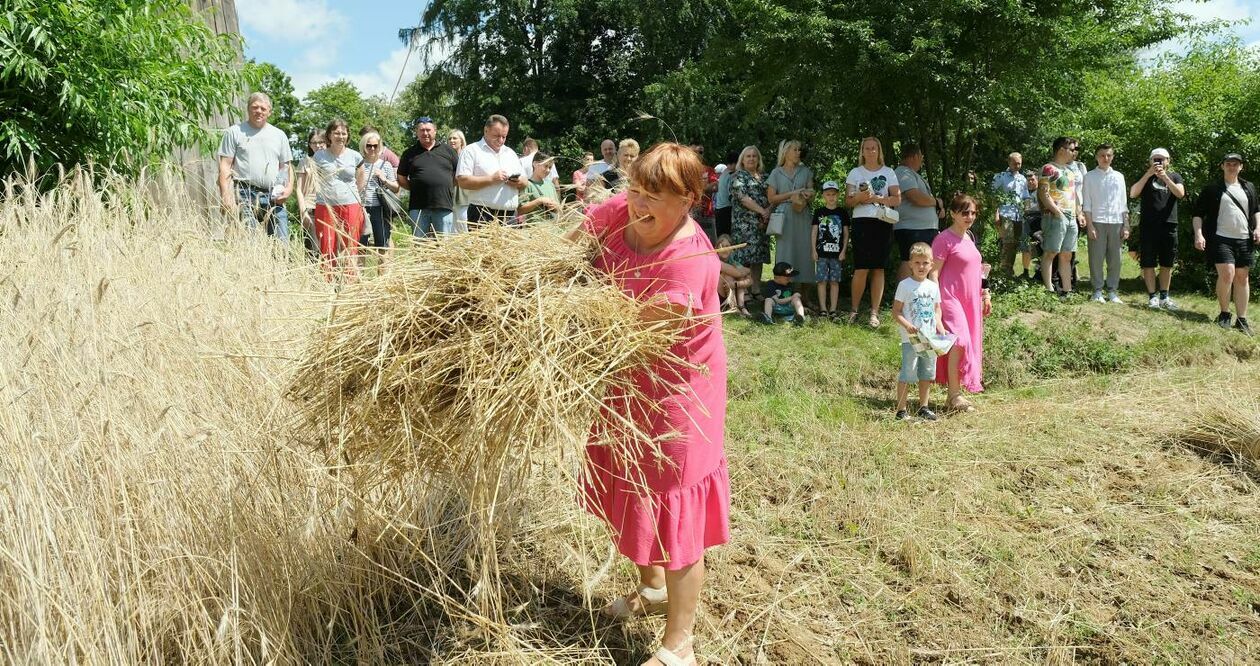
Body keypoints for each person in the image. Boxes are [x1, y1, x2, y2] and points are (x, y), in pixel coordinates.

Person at [569, 143, 728, 666]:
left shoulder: (688, 262)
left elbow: (625, 329)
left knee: (675, 506)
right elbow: (571, 246)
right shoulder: (621, 208)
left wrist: (566, 319)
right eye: (635, 187)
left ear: (687, 201)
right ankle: (651, 586)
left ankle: (679, 643)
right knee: (630, 480)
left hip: (679, 391)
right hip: (628, 382)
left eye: (654, 195)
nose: (638, 202)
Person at [932, 193, 989, 412]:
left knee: (966, 344)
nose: (970, 216)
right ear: (953, 213)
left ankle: (954, 395)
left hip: (970, 300)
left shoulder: (970, 237)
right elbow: (933, 274)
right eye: (965, 212)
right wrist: (936, 305)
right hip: (949, 297)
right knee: (959, 341)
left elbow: (979, 271)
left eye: (973, 212)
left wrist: (986, 294)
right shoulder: (943, 239)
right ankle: (954, 396)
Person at [1193, 153, 1260, 335]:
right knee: (1227, 274)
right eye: (1228, 163)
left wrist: (1258, 228)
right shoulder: (1213, 189)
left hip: (1244, 238)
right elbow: (1198, 214)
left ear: (1241, 167)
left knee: (1242, 277)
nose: (1232, 166)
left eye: (1235, 164)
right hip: (1220, 238)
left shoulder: (1249, 187)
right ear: (1222, 166)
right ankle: (1224, 314)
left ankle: (1242, 319)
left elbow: (1256, 211)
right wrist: (1199, 235)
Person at [216, 92, 293, 241]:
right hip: (244, 194)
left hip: (273, 196)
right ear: (248, 109)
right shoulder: (234, 132)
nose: (259, 111)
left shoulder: (279, 135)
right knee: (250, 244)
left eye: (263, 109)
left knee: (281, 244)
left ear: (269, 111)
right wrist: (226, 195)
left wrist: (288, 190)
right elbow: (225, 166)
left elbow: (286, 167)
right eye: (255, 107)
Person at [846, 137, 902, 328]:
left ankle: (874, 313)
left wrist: (877, 198)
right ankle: (854, 310)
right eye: (867, 148)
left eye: (874, 148)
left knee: (878, 268)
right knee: (861, 267)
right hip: (861, 222)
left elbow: (897, 199)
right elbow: (848, 201)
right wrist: (860, 197)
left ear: (879, 151)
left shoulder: (889, 172)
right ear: (862, 151)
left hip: (882, 222)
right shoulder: (855, 172)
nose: (870, 151)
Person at [300, 118, 365, 281]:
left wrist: (349, 194)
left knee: (349, 247)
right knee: (327, 247)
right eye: (336, 133)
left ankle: (349, 285)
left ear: (348, 135)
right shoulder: (319, 156)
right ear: (329, 135)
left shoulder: (355, 156)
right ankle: (328, 285)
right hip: (325, 206)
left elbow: (360, 180)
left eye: (343, 133)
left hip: (351, 205)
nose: (340, 136)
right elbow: (314, 180)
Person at [892, 242, 946, 421]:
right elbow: (896, 311)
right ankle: (901, 410)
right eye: (917, 263)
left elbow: (937, 308)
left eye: (925, 263)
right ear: (910, 264)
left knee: (927, 373)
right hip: (911, 339)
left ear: (931, 264)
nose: (921, 267)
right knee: (908, 372)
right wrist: (907, 325)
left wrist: (939, 325)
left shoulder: (933, 286)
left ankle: (924, 406)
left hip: (929, 338)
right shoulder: (905, 285)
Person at [1130, 147, 1186, 309]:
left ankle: (1164, 297)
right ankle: (1152, 297)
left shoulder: (1175, 176)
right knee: (1148, 262)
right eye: (1155, 159)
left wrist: (1165, 178)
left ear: (1168, 161)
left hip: (1169, 225)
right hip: (1148, 226)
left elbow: (1180, 194)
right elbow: (1133, 193)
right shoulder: (1145, 177)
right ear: (1150, 161)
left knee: (1167, 263)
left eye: (1162, 159)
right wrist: (1148, 174)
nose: (1159, 162)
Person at [456, 114, 528, 225]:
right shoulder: (471, 151)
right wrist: (490, 179)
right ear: (486, 130)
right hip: (482, 215)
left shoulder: (511, 153)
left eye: (504, 137)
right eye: (497, 136)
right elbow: (462, 181)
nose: (501, 140)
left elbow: (525, 182)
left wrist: (518, 182)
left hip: (510, 216)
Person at [1082, 144, 1129, 303]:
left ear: (1112, 157)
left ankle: (1112, 291)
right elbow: (1086, 204)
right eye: (1102, 155)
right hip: (1097, 221)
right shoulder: (1089, 177)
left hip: (1116, 221)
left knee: (1115, 259)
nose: (1105, 158)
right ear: (1096, 157)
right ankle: (1097, 291)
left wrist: (1126, 225)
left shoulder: (1119, 176)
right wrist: (1090, 226)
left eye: (1109, 155)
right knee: (1096, 258)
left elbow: (1123, 203)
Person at [398, 116, 459, 237]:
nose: (425, 133)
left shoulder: (448, 151)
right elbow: (401, 178)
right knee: (419, 246)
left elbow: (458, 176)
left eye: (428, 130)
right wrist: (415, 187)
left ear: (435, 131)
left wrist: (445, 185)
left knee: (444, 246)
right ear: (417, 132)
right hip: (418, 208)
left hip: (443, 205)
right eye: (422, 130)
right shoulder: (409, 153)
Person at [1038, 137, 1083, 299]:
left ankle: (1066, 290)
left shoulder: (1070, 171)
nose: (1074, 152)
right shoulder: (1048, 168)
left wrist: (1079, 213)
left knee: (1067, 254)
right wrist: (1057, 212)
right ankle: (1049, 289)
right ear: (1061, 150)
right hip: (1055, 216)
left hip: (1071, 217)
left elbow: (1074, 196)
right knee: (1051, 252)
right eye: (1072, 149)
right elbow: (1043, 193)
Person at [767, 140, 816, 284]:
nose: (798, 152)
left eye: (799, 150)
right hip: (784, 216)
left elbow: (811, 190)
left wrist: (808, 194)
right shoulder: (776, 173)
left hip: (803, 213)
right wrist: (792, 193)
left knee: (804, 251)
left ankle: (805, 295)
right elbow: (771, 198)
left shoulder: (806, 171)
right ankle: (784, 289)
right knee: (785, 251)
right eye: (795, 150)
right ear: (785, 152)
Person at [894, 143, 943, 281]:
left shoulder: (911, 174)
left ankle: (919, 298)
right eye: (921, 156)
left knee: (923, 262)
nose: (922, 160)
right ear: (915, 156)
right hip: (911, 228)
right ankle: (903, 299)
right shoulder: (903, 172)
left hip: (922, 228)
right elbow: (915, 197)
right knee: (909, 261)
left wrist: (937, 209)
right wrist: (937, 202)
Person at [728, 146, 772, 296]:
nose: (751, 158)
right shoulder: (737, 176)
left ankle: (756, 289)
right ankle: (743, 291)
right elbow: (743, 198)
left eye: (754, 156)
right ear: (742, 159)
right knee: (744, 258)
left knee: (758, 258)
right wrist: (763, 211)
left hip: (762, 224)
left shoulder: (766, 177)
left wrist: (768, 213)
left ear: (758, 159)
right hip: (744, 225)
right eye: (748, 156)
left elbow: (773, 196)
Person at [359, 131, 401, 258]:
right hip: (361, 209)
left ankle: (383, 277)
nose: (372, 149)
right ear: (363, 146)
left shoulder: (386, 165)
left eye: (375, 146)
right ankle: (360, 278)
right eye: (369, 145)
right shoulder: (358, 164)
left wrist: (384, 179)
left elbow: (396, 187)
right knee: (360, 247)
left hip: (380, 209)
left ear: (380, 146)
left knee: (382, 247)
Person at [811, 181, 849, 318]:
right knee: (821, 281)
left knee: (834, 281)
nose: (831, 197)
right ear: (823, 196)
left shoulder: (842, 213)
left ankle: (832, 309)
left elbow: (845, 233)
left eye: (833, 194)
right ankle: (823, 308)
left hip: (836, 254)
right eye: (828, 194)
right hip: (821, 253)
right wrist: (813, 250)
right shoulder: (819, 212)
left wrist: (843, 250)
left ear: (837, 195)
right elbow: (814, 232)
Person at [991, 152, 1030, 277]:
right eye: (1015, 163)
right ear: (1009, 162)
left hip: (1018, 215)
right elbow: (994, 196)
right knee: (1007, 242)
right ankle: (1003, 271)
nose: (1017, 166)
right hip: (1005, 213)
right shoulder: (1000, 177)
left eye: (1019, 163)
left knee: (1014, 243)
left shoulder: (1022, 179)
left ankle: (1009, 271)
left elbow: (1025, 196)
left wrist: (1027, 211)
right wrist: (996, 213)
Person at [294, 128, 326, 261]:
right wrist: (303, 211)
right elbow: (299, 189)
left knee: (327, 246)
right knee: (313, 247)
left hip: (327, 206)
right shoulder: (305, 161)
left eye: (321, 142)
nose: (317, 145)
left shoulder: (331, 161)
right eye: (313, 142)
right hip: (310, 206)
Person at [518, 152, 562, 224]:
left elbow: (558, 208)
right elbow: (520, 210)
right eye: (545, 166)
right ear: (535, 164)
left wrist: (555, 207)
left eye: (550, 167)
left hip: (552, 229)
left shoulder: (550, 185)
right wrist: (539, 201)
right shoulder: (527, 184)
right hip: (535, 230)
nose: (548, 170)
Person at [716, 233, 754, 315]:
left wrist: (736, 284)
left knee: (741, 276)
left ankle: (741, 306)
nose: (725, 249)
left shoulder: (732, 261)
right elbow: (738, 273)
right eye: (722, 246)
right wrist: (746, 271)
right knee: (730, 275)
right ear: (716, 248)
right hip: (718, 294)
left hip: (728, 289)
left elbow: (750, 280)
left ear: (732, 249)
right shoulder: (715, 260)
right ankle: (733, 307)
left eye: (727, 246)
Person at [690, 144, 720, 244]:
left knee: (710, 244)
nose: (698, 154)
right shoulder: (684, 170)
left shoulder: (709, 170)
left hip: (706, 213)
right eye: (695, 152)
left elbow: (715, 187)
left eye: (701, 152)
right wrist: (705, 187)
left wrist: (694, 188)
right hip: (687, 213)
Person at [1020, 170, 1041, 281]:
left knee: (1039, 246)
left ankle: (1039, 271)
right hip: (1026, 219)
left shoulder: (1041, 192)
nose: (1030, 182)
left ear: (1037, 179)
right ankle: (1025, 272)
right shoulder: (1024, 192)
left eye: (1033, 179)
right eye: (1028, 180)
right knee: (1025, 246)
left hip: (1038, 219)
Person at [447, 130, 471, 228]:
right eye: (449, 138)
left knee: (464, 227)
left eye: (455, 138)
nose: (452, 140)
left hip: (464, 197)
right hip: (449, 198)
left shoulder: (467, 155)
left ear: (461, 141)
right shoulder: (446, 157)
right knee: (451, 230)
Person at [714, 151, 738, 238]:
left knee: (721, 237)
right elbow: (731, 195)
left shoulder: (724, 173)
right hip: (726, 210)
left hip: (719, 209)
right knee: (727, 238)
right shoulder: (732, 175)